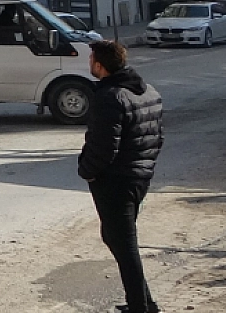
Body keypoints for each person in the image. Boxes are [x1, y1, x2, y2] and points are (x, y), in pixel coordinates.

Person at [77, 40, 164, 313]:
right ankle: (144, 303)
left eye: (91, 59)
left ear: (100, 66)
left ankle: (141, 307)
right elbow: (157, 138)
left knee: (124, 244)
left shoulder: (110, 97)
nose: (89, 63)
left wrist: (87, 172)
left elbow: (103, 146)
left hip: (115, 180)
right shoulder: (148, 91)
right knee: (117, 239)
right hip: (139, 176)